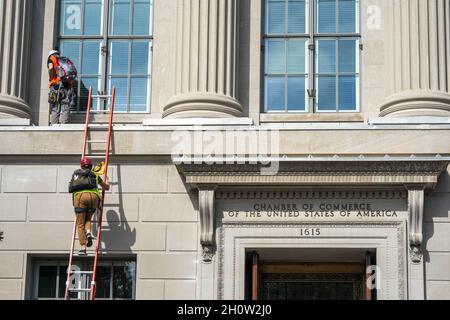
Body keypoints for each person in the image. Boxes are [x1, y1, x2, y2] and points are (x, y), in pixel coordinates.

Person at [71, 157, 110, 255]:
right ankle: (88, 233)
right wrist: (107, 180)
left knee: (80, 224)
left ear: (81, 166)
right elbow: (107, 187)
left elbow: (72, 187)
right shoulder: (94, 175)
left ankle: (83, 247)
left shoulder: (76, 174)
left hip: (80, 198)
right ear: (91, 166)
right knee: (88, 218)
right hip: (94, 198)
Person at [48, 49, 77, 124]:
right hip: (67, 86)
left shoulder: (52, 58)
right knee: (66, 106)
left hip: (55, 86)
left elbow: (51, 68)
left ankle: (54, 126)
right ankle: (64, 124)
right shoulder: (64, 60)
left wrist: (51, 77)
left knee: (55, 107)